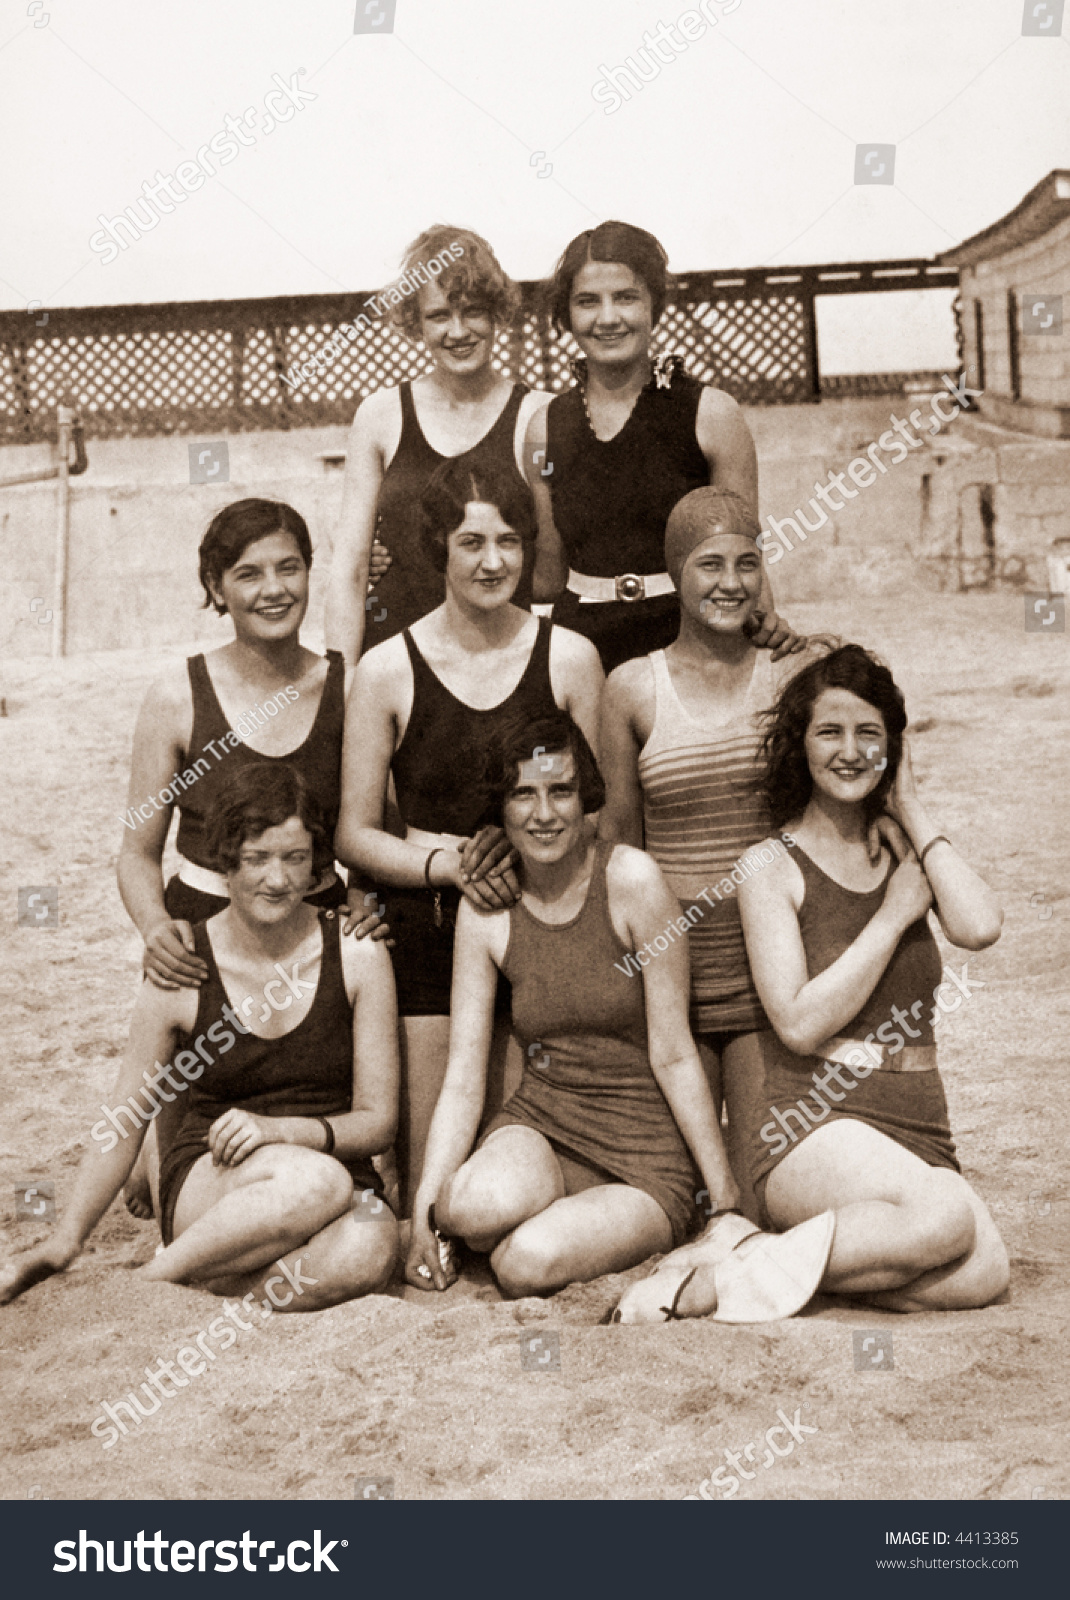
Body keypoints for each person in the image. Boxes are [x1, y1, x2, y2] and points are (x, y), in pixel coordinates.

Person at [634, 644, 1009, 1318]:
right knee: (948, 1218)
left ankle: (748, 1264)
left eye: (870, 733)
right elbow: (799, 1024)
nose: (850, 750)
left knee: (983, 1272)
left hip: (916, 1115)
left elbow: (980, 926)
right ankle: (742, 1265)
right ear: (799, 745)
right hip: (806, 1117)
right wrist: (893, 917)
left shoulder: (903, 847)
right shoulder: (768, 866)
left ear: (893, 747)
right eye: (830, 731)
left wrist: (915, 812)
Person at [0, 764, 399, 1312]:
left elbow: (378, 1122)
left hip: (326, 1158)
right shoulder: (185, 963)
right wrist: (64, 1240)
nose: (277, 879)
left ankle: (220, 1282)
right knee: (317, 1186)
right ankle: (153, 1282)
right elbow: (124, 1116)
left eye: (295, 858)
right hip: (216, 1173)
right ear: (224, 862)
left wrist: (279, 1130)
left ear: (316, 865)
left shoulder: (357, 954)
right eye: (257, 859)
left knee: (372, 1243)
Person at [335, 457, 603, 1215]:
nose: (494, 563)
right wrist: (447, 864)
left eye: (510, 542)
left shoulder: (570, 657)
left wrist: (529, 856)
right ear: (439, 549)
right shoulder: (388, 668)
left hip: (540, 912)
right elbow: (353, 833)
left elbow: (601, 815)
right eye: (472, 543)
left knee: (519, 1153)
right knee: (431, 1178)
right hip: (431, 921)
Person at [405, 709, 740, 1297]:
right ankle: (542, 1212)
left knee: (522, 1264)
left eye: (561, 791)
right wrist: (425, 1213)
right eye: (523, 795)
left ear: (586, 797)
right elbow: (463, 1073)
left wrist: (724, 1198)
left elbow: (674, 1052)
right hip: (543, 1124)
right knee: (468, 1210)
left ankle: (585, 1225)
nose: (543, 814)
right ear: (499, 807)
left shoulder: (632, 880)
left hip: (643, 1153)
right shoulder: (486, 909)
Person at [598, 487, 826, 1216]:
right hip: (675, 984)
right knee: (678, 1196)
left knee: (761, 1196)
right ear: (675, 573)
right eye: (709, 565)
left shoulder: (794, 676)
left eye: (748, 563)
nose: (731, 582)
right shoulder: (631, 687)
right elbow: (619, 847)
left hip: (772, 976)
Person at [118, 497, 381, 994]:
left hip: (322, 926)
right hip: (202, 937)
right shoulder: (176, 697)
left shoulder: (350, 689)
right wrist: (156, 928)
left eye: (289, 569)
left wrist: (364, 900)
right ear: (216, 588)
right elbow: (136, 851)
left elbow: (379, 829)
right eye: (249, 575)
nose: (275, 590)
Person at [524, 220, 798, 674]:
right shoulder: (544, 429)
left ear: (654, 304)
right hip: (582, 653)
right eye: (587, 301)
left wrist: (766, 628)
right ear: (567, 314)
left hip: (692, 642)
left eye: (626, 297)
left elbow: (745, 558)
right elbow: (548, 575)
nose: (607, 318)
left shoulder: (712, 414)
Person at [325, 226, 553, 664]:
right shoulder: (380, 416)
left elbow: (555, 561)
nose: (458, 330)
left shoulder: (538, 415)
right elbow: (349, 569)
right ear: (416, 321)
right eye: (439, 316)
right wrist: (343, 682)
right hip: (398, 656)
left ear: (496, 315)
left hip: (502, 658)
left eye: (473, 312)